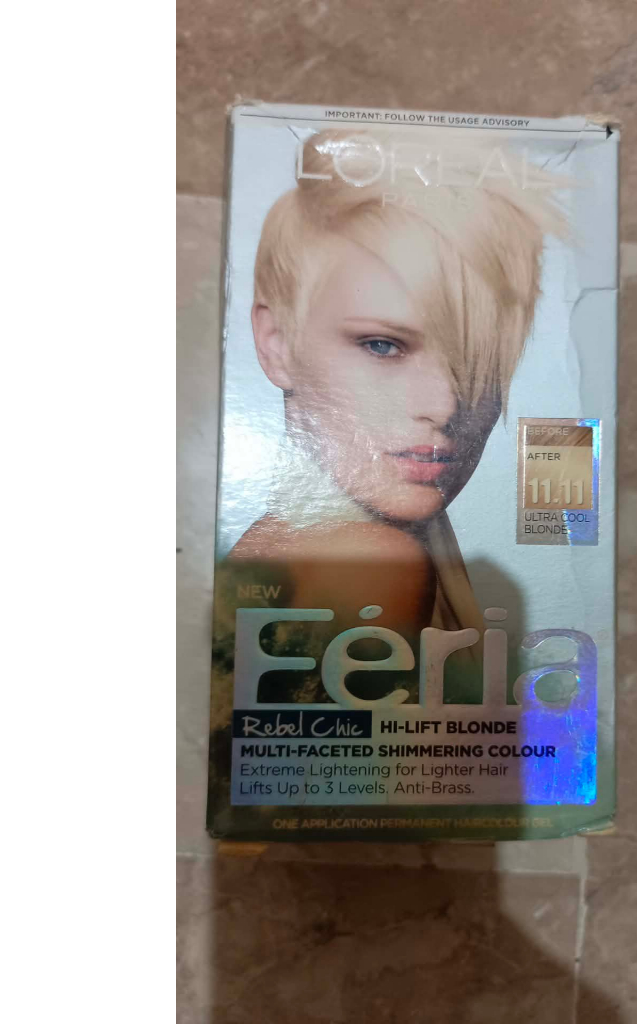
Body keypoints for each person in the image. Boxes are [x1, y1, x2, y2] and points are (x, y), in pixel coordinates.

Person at [220, 129, 567, 705]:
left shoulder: (277, 544)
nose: (445, 405)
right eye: (382, 346)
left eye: (476, 361)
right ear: (277, 344)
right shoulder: (371, 561)